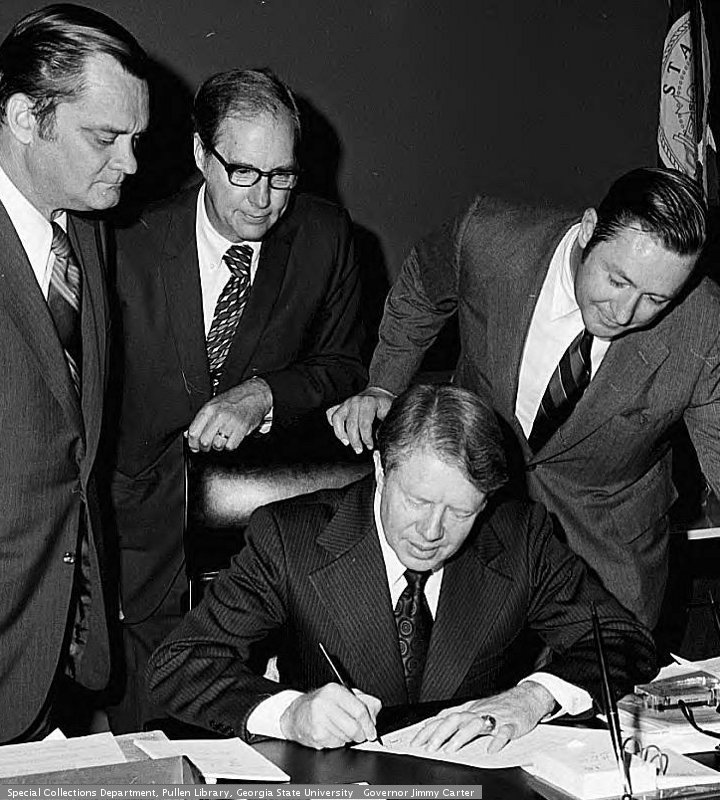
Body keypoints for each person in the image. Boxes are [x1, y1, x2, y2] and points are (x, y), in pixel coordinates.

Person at [148, 384, 655, 752]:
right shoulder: (289, 539)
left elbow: (621, 641)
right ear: (380, 469)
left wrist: (533, 697)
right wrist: (289, 713)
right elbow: (179, 665)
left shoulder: (521, 538)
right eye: (417, 501)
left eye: (460, 512)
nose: (432, 531)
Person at [328, 167, 718, 629]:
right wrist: (384, 385)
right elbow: (421, 290)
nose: (626, 312)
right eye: (617, 281)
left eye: (656, 299)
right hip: (476, 526)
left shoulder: (703, 323)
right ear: (588, 229)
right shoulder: (488, 238)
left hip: (607, 551)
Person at [108, 68, 366, 731]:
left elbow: (343, 365)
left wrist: (264, 395)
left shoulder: (324, 234)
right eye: (243, 172)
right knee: (150, 737)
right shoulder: (126, 235)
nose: (263, 199)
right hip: (137, 531)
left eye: (282, 176)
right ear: (201, 153)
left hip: (257, 539)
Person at [0, 3, 148, 742]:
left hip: (55, 645)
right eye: (105, 137)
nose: (130, 163)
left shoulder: (87, 233)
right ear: (26, 118)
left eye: (135, 139)